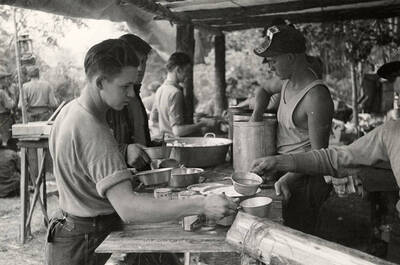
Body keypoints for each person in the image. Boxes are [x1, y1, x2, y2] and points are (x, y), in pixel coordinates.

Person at [45, 39, 237, 265]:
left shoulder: (69, 111)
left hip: (69, 231)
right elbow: (128, 208)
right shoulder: (95, 131)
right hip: (86, 242)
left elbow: (81, 176)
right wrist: (201, 204)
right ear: (100, 82)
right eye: (124, 86)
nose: (131, 93)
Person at [250, 61, 400, 263]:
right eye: (398, 92)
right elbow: (335, 158)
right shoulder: (391, 131)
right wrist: (280, 162)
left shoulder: (315, 95)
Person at [252, 25, 334, 235]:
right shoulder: (286, 82)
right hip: (282, 169)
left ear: (290, 57)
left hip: (305, 180)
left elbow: (320, 157)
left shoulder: (316, 96)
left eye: (273, 60)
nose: (270, 66)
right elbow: (262, 90)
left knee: (299, 239)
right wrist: (255, 119)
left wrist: (288, 177)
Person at [106, 34, 154, 170]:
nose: (140, 68)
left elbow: (139, 137)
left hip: (141, 175)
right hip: (118, 177)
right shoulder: (109, 98)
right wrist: (125, 151)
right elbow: (92, 145)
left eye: (144, 62)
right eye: (135, 62)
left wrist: (155, 147)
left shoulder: (136, 95)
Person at [150, 52, 215, 137]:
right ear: (178, 70)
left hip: (165, 143)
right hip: (177, 144)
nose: (188, 75)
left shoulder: (160, 90)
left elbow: (153, 120)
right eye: (187, 71)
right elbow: (178, 131)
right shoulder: (175, 93)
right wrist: (202, 124)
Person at [0, 70, 15, 146]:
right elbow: (10, 105)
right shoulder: (2, 92)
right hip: (4, 118)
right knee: (6, 140)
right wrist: (13, 96)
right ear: (1, 80)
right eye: (6, 79)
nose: (7, 81)